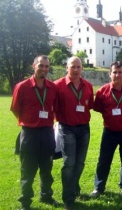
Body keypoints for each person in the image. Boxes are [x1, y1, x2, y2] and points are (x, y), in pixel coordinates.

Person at [11, 55, 58, 210]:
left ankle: (46, 196)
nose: (43, 68)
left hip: (47, 133)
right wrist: (29, 121)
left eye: (46, 66)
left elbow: (55, 108)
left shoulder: (52, 87)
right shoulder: (22, 86)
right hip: (29, 134)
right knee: (28, 170)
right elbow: (15, 109)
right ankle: (25, 201)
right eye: (40, 65)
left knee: (47, 168)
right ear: (33, 66)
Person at [89, 61, 122, 199]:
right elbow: (98, 108)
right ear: (110, 74)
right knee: (104, 160)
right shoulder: (102, 91)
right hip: (109, 131)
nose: (117, 75)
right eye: (114, 72)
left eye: (120, 72)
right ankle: (98, 187)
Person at [54, 56, 94, 210]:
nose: (76, 70)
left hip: (84, 128)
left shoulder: (88, 86)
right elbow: (54, 107)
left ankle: (74, 187)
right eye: (73, 67)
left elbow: (89, 105)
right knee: (69, 163)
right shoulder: (58, 86)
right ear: (67, 67)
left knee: (80, 162)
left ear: (82, 68)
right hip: (67, 128)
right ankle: (68, 198)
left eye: (78, 67)